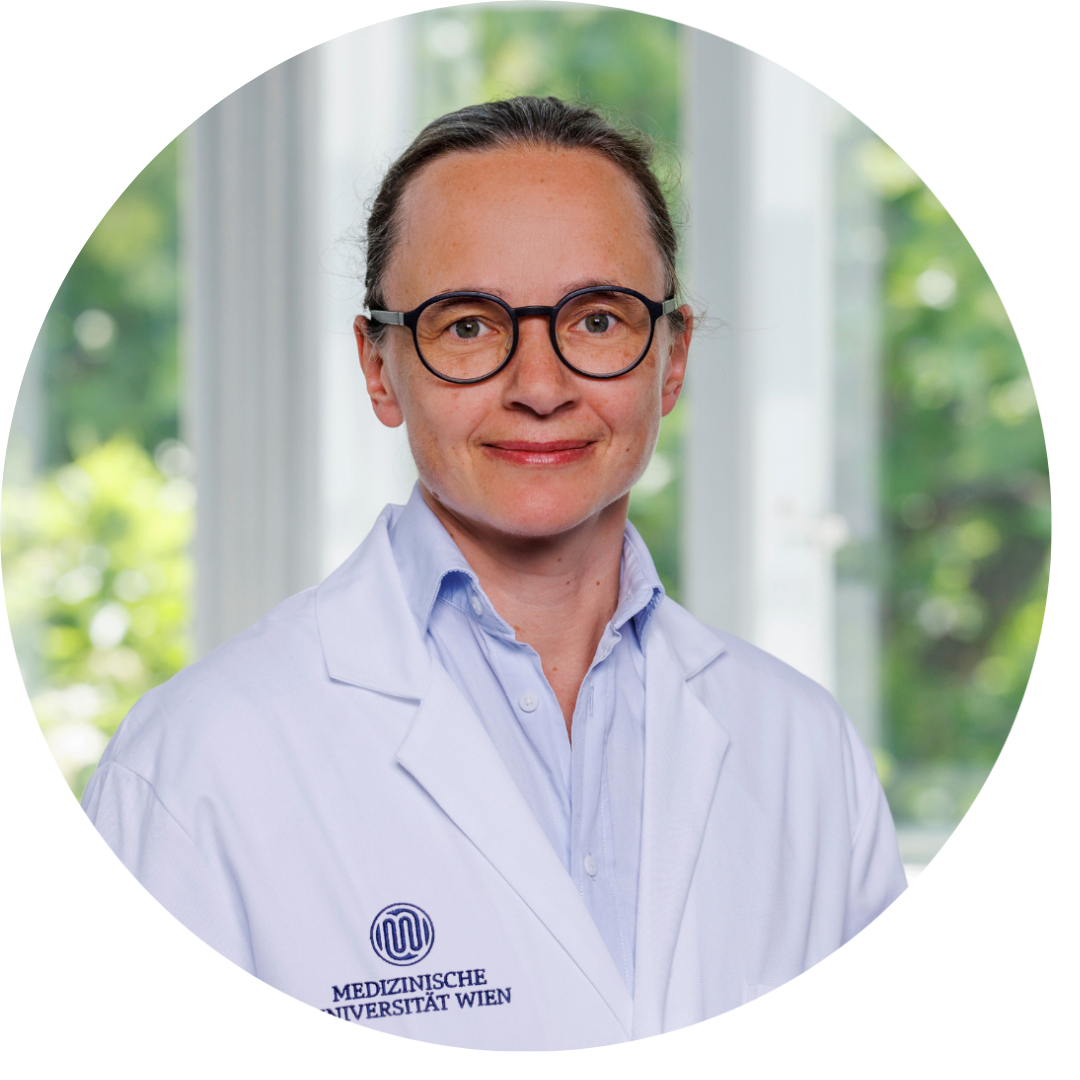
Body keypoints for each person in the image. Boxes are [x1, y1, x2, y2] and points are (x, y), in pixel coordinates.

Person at [83, 96, 906, 1051]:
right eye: (469, 326)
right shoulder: (194, 765)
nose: (540, 386)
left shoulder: (805, 751)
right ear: (381, 367)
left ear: (672, 358)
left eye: (596, 319)